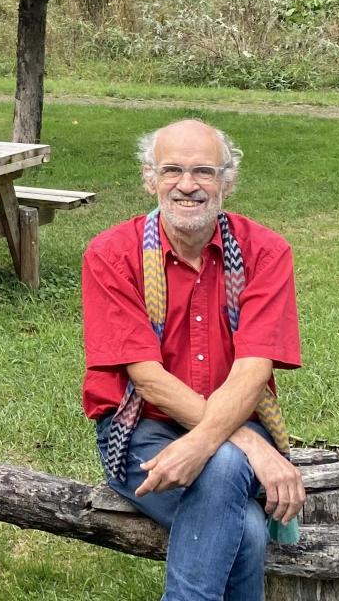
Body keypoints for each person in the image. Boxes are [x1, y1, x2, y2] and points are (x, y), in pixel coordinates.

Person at [81, 119, 307, 601]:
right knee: (244, 523)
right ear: (150, 178)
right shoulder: (110, 254)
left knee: (223, 467)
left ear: (228, 181)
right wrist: (252, 446)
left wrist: (201, 443)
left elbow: (253, 372)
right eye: (173, 170)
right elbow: (145, 377)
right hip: (141, 430)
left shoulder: (266, 252)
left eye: (204, 171)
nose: (188, 185)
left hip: (235, 416)